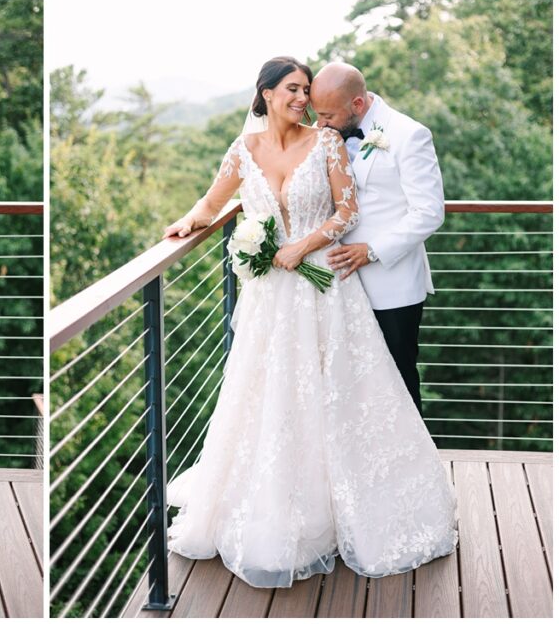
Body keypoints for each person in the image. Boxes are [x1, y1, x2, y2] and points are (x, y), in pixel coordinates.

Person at [162, 57, 456, 588]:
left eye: (310, 93)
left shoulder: (329, 143)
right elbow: (211, 202)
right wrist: (187, 222)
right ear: (267, 93)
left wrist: (304, 244)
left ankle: (361, 504)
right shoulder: (242, 149)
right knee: (271, 397)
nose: (305, 103)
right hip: (269, 297)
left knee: (347, 392)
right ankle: (282, 508)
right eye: (295, 91)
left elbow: (347, 212)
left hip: (327, 284)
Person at [309, 62, 445, 414]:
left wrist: (372, 251)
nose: (319, 124)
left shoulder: (408, 134)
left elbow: (429, 212)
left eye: (326, 115)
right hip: (335, 283)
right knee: (346, 382)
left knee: (397, 379)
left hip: (392, 284)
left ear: (357, 105)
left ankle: (413, 467)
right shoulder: (323, 132)